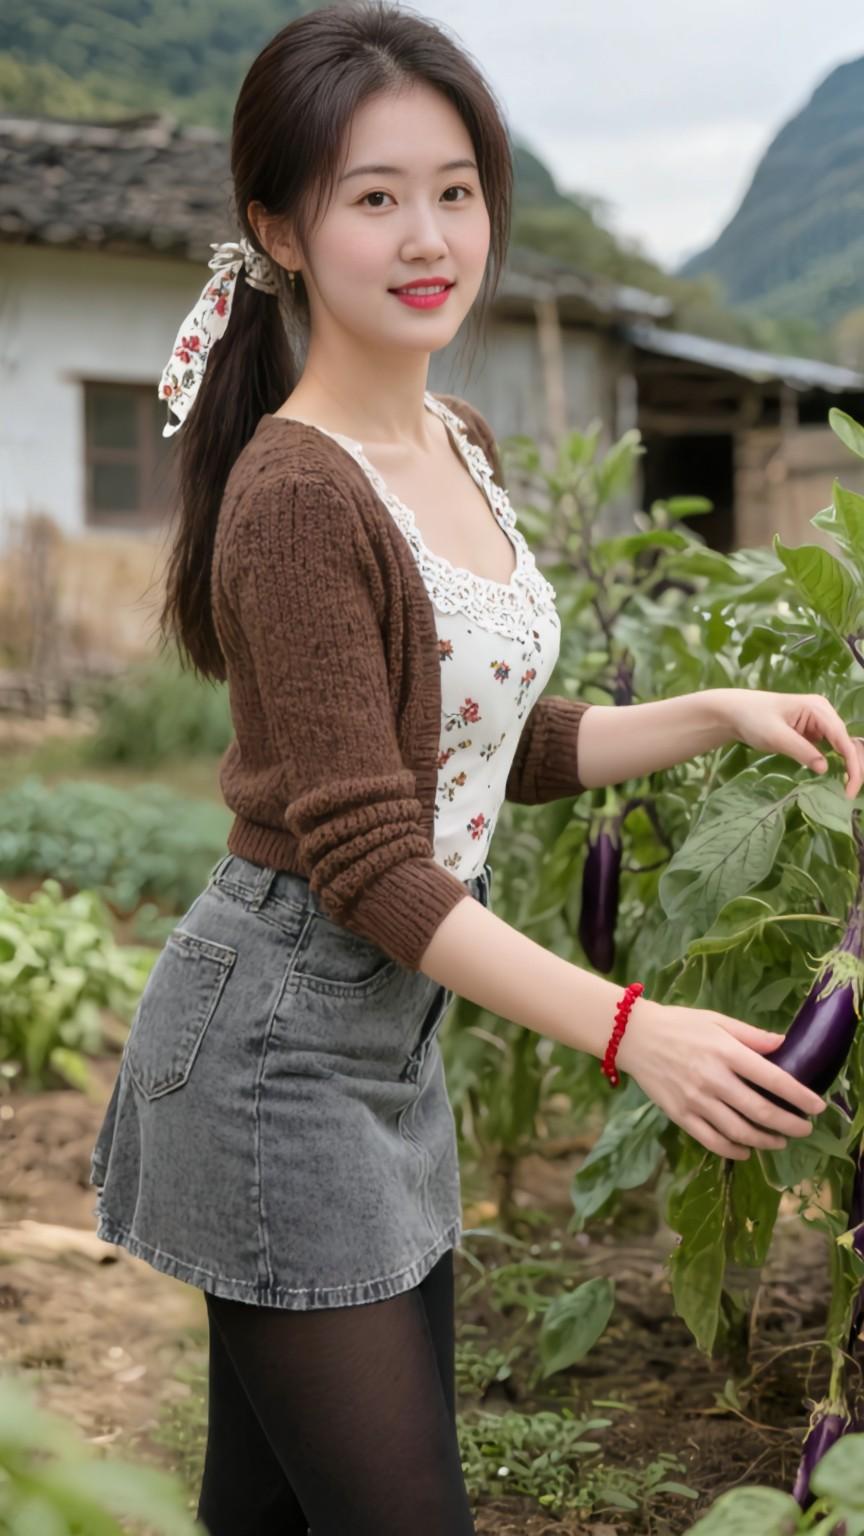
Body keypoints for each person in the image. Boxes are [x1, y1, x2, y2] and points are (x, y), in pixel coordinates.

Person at [89, 4, 864, 1532]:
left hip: (389, 1043)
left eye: (456, 188)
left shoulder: (458, 440)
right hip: (276, 1048)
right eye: (373, 196)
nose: (429, 233)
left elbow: (496, 745)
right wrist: (632, 1029)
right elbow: (373, 858)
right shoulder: (297, 496)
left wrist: (713, 706)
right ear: (281, 230)